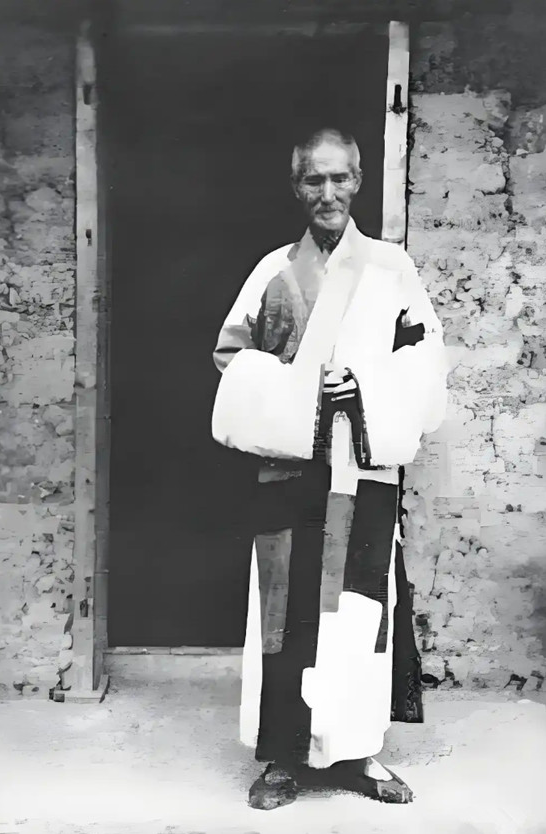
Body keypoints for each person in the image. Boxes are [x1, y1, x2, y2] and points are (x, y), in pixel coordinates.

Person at [212, 128, 447, 810]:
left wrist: (362, 389)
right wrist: (302, 390)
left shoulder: (391, 270)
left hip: (362, 474)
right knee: (286, 614)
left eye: (339, 178)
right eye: (314, 179)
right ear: (297, 187)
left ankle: (358, 753)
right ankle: (283, 757)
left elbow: (424, 358)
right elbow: (232, 357)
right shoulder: (273, 272)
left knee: (359, 614)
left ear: (358, 181)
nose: (328, 192)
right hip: (290, 471)